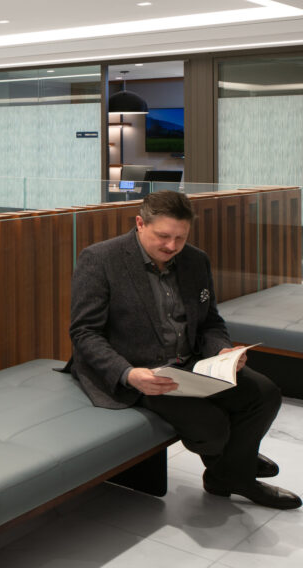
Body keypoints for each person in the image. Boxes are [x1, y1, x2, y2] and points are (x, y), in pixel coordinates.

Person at [67, 190, 298, 509]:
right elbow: (84, 332)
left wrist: (221, 352)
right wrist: (128, 374)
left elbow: (210, 322)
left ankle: (231, 472)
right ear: (139, 223)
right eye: (163, 236)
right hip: (140, 371)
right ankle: (235, 469)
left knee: (265, 393)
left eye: (181, 237)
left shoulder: (195, 260)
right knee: (213, 428)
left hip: (190, 365)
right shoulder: (101, 259)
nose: (172, 246)